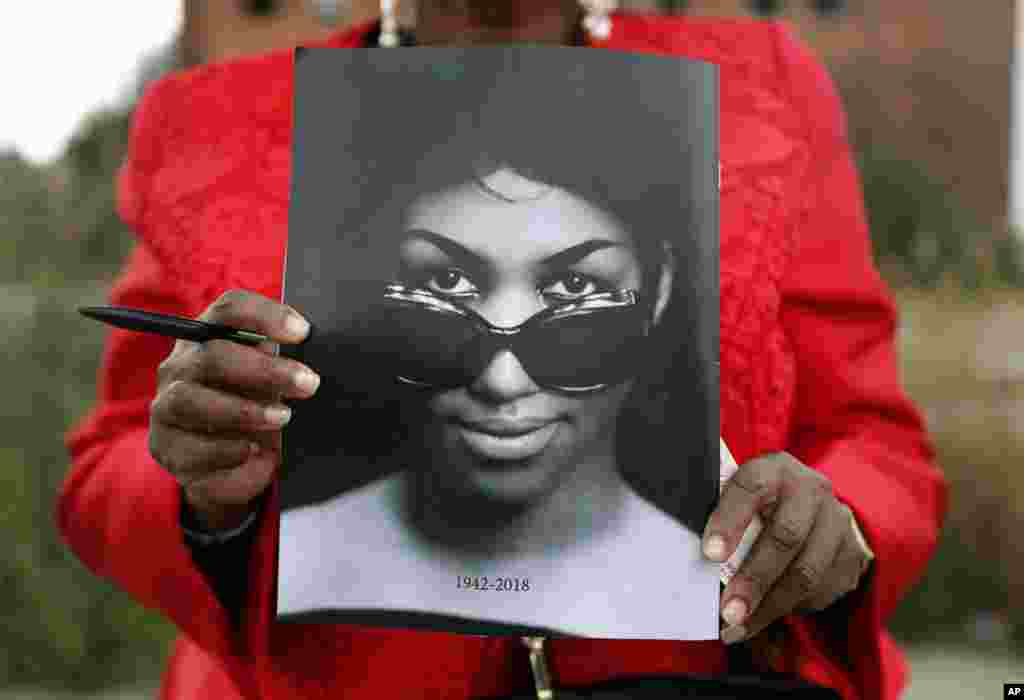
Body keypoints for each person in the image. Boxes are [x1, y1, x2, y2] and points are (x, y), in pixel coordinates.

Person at [58, 1, 947, 699]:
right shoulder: (225, 118)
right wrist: (206, 491)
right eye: (441, 287)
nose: (505, 370)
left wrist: (836, 529)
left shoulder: (758, 89)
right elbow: (108, 470)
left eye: (576, 293)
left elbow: (877, 443)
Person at [274, 49, 719, 638]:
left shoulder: (719, 591)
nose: (501, 382)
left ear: (659, 289)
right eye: (446, 282)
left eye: (574, 287)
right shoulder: (292, 561)